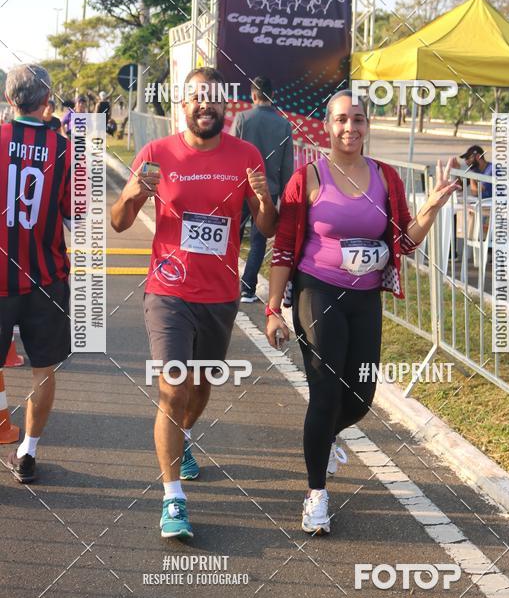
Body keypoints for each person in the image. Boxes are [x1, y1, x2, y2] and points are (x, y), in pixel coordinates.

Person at [265, 90, 460, 535]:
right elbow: (283, 249)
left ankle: (326, 437)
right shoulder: (309, 177)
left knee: (362, 394)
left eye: (357, 119)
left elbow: (405, 242)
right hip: (318, 291)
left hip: (365, 296)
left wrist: (431, 205)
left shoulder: (385, 178)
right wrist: (273, 309)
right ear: (327, 127)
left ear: (366, 126)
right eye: (340, 120)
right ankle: (316, 495)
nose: (350, 127)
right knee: (326, 391)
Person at [110, 66, 277, 540]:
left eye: (214, 99)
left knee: (201, 386)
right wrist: (131, 194)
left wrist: (264, 201)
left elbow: (266, 227)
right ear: (183, 105)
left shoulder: (245, 155)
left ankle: (181, 438)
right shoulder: (157, 153)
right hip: (169, 289)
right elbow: (121, 222)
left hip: (220, 293)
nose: (205, 105)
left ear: (227, 106)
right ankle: (173, 498)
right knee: (174, 385)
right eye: (196, 98)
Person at [2, 65, 72, 483]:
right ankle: (28, 451)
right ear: (49, 98)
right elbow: (77, 217)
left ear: (12, 100)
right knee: (43, 369)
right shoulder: (65, 152)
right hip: (46, 277)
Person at [231, 76, 294, 302]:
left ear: (253, 95)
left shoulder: (242, 118)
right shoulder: (284, 124)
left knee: (233, 235)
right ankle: (248, 288)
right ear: (272, 96)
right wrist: (286, 194)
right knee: (259, 239)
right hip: (269, 190)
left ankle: (228, 282)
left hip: (240, 187)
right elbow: (287, 165)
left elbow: (229, 151)